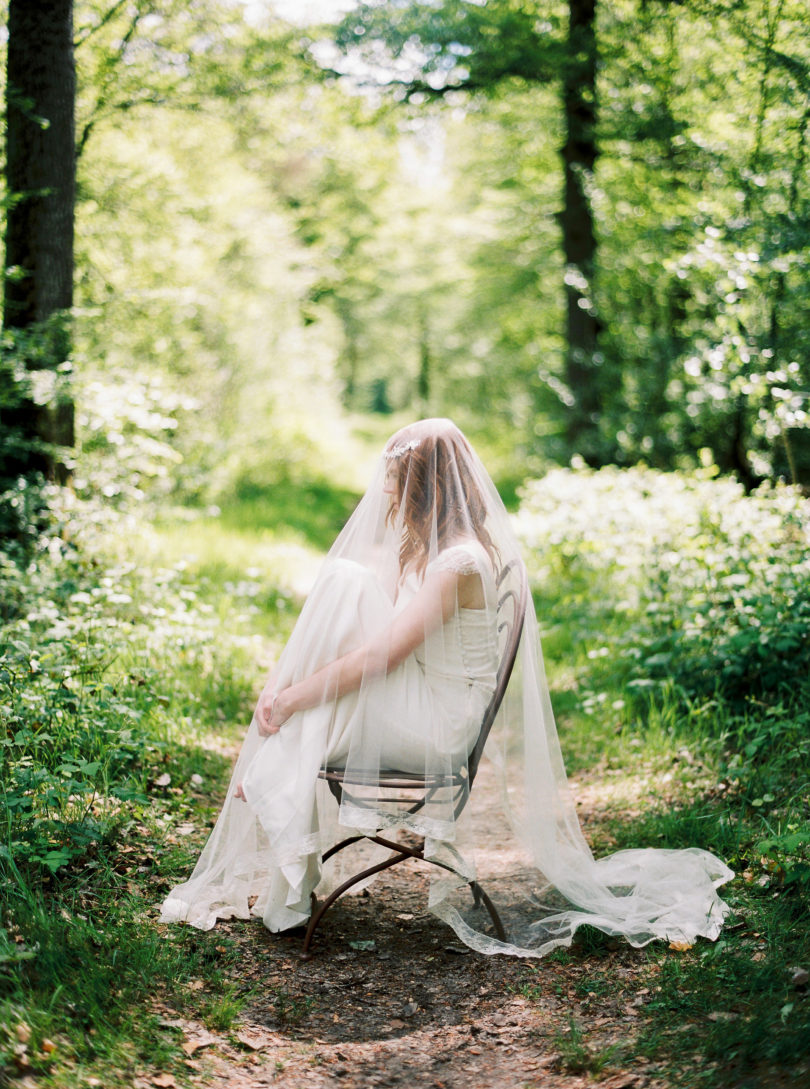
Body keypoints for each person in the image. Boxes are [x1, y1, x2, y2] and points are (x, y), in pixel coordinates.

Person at [160, 419, 732, 956]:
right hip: (425, 702)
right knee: (346, 584)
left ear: (421, 490)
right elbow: (378, 622)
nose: (385, 498)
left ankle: (275, 764)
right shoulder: (445, 549)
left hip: (438, 726)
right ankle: (279, 767)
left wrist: (291, 696)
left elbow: (382, 656)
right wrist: (291, 685)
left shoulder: (457, 563)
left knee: (340, 593)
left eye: (393, 485)